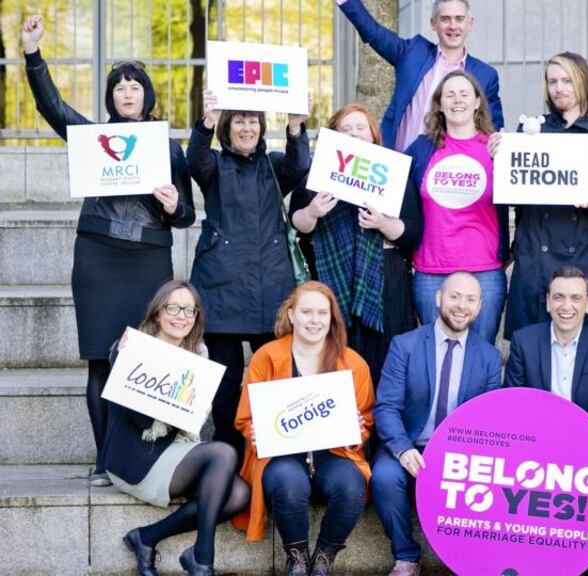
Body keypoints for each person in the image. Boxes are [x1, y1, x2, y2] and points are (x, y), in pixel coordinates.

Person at [21, 16, 195, 487]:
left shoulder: (169, 148)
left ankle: (142, 455)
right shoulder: (93, 139)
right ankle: (105, 460)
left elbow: (186, 216)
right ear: (111, 98)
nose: (126, 92)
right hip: (98, 258)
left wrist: (173, 204)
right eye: (119, 86)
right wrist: (33, 54)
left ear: (147, 95)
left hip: (149, 260)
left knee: (146, 359)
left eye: (134, 85)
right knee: (102, 359)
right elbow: (52, 107)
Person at [188, 90, 311, 460]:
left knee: (276, 374)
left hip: (270, 286)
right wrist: (206, 121)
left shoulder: (274, 165)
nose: (246, 128)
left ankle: (277, 449)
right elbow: (195, 161)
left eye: (253, 121)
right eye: (239, 121)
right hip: (221, 287)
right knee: (224, 383)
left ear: (261, 127)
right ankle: (228, 451)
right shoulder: (214, 165)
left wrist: (295, 126)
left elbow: (299, 166)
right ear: (227, 127)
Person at [106, 281, 250, 576]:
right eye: (173, 307)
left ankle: (147, 537)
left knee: (239, 494)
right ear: (158, 312)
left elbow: (189, 426)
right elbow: (142, 422)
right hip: (135, 457)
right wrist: (182, 408)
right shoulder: (132, 348)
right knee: (223, 453)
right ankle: (203, 559)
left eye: (189, 310)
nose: (181, 316)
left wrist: (196, 410)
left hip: (174, 449)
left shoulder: (198, 354)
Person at [234, 281, 375, 576]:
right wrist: (255, 432)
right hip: (282, 455)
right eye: (306, 312)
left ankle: (323, 558)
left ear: (332, 318)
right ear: (291, 314)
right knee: (289, 484)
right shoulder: (267, 356)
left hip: (333, 454)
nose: (315, 320)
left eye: (322, 313)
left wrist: (357, 429)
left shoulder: (353, 363)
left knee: (351, 486)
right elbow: (246, 418)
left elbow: (366, 418)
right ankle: (297, 559)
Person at [372, 272, 502, 576]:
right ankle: (406, 557)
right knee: (384, 477)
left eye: (470, 299)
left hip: (460, 452)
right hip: (409, 443)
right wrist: (403, 448)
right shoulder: (405, 345)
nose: (461, 306)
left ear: (480, 306)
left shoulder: (490, 357)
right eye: (454, 296)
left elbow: (489, 421)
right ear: (439, 298)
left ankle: (463, 560)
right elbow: (387, 406)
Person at [493, 52, 588, 339]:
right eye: (552, 82)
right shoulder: (529, 130)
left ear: (582, 83)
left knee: (584, 348)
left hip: (582, 253)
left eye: (567, 81)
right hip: (534, 256)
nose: (559, 88)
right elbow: (513, 193)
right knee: (529, 346)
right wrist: (499, 158)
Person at [290, 104, 418, 386]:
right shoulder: (318, 175)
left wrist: (383, 223)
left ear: (373, 135)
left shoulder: (393, 173)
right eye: (346, 129)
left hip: (385, 281)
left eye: (361, 128)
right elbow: (297, 223)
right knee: (337, 362)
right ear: (334, 136)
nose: (354, 134)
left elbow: (412, 231)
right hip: (334, 280)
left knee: (386, 365)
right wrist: (313, 211)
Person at [405, 70, 509, 345]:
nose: (457, 100)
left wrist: (505, 158)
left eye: (464, 94)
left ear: (477, 102)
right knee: (435, 354)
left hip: (484, 269)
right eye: (449, 95)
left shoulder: (497, 148)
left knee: (481, 355)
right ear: (440, 104)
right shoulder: (422, 149)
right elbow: (397, 188)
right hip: (431, 270)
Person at [335, 0, 503, 151]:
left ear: (470, 23)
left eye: (459, 19)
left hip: (446, 169)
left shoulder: (485, 75)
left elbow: (492, 130)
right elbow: (374, 33)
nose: (453, 26)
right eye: (445, 19)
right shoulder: (413, 52)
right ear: (433, 23)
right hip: (398, 162)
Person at [505, 266, 588, 438]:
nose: (566, 306)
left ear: (587, 304)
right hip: (535, 440)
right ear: (548, 302)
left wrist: (572, 442)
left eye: (576, 298)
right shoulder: (523, 341)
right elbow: (513, 403)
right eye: (558, 297)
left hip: (587, 441)